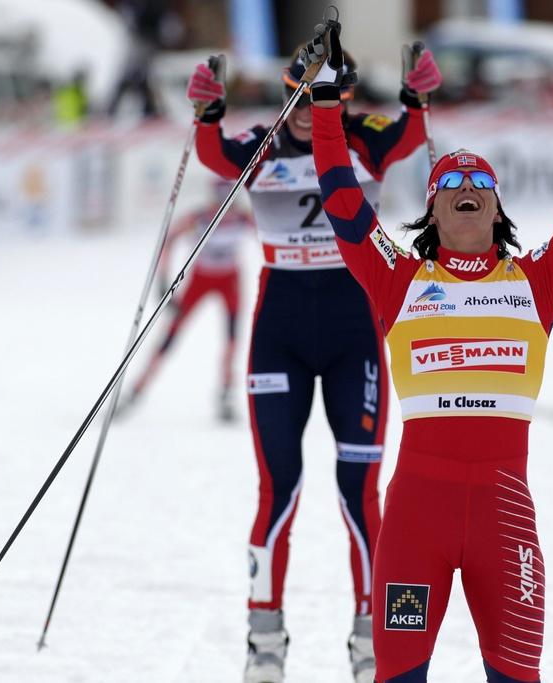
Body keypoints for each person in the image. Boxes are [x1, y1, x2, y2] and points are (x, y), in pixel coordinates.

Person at [307, 22, 553, 682]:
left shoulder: (535, 279)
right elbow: (345, 205)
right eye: (451, 182)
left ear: (496, 209)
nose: (466, 186)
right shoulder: (399, 278)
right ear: (432, 212)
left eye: (479, 184)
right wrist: (323, 106)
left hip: (504, 518)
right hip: (413, 525)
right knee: (396, 672)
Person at [186, 40, 440, 683]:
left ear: (345, 99)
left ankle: (369, 642)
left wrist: (416, 91)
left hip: (355, 330)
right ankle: (264, 642)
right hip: (281, 331)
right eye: (298, 94)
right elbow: (212, 153)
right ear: (286, 89)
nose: (308, 109)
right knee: (280, 490)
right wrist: (207, 110)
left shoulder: (366, 139)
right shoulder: (261, 143)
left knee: (361, 496)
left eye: (324, 96)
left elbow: (413, 131)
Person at [123, 178, 251, 421]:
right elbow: (169, 239)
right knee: (170, 335)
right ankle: (136, 390)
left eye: (229, 197)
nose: (224, 204)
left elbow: (268, 237)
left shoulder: (242, 218)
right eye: (220, 197)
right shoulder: (201, 216)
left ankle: (226, 396)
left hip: (230, 280)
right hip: (200, 279)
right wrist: (163, 279)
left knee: (232, 338)